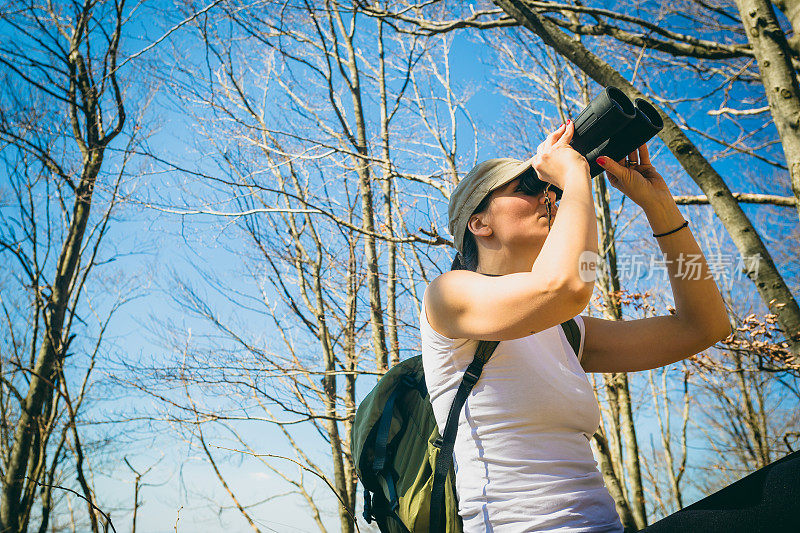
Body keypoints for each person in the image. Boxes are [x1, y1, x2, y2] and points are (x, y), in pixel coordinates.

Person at [420, 118, 732, 531]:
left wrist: (659, 206)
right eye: (527, 188)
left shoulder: (566, 331)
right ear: (479, 223)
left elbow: (704, 327)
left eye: (548, 189)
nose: (547, 197)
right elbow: (566, 286)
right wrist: (573, 176)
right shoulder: (448, 296)